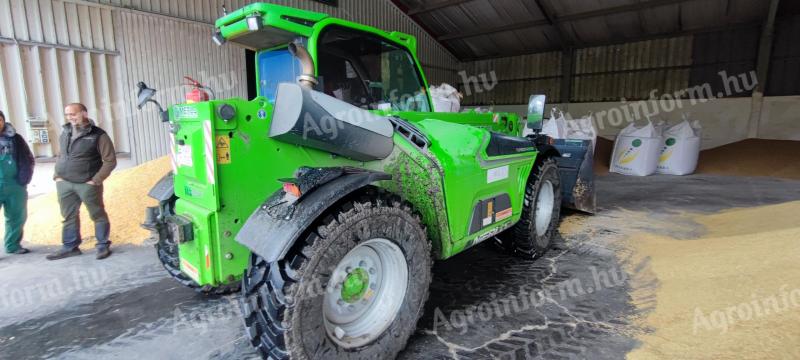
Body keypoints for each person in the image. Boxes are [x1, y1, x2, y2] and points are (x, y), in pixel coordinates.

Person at [46, 103, 117, 261]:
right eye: (67, 114)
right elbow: (62, 155)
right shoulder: (65, 132)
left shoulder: (99, 135)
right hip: (64, 182)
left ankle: (102, 245)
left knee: (97, 215)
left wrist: (96, 180)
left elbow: (110, 161)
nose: (70, 117)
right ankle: (70, 247)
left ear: (84, 113)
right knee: (68, 216)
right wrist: (57, 175)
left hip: (87, 184)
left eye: (73, 114)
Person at [0, 110, 35, 255]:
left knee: (17, 216)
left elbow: (28, 158)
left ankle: (13, 245)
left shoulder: (15, 138)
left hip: (15, 185)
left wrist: (24, 179)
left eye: (0, 119)